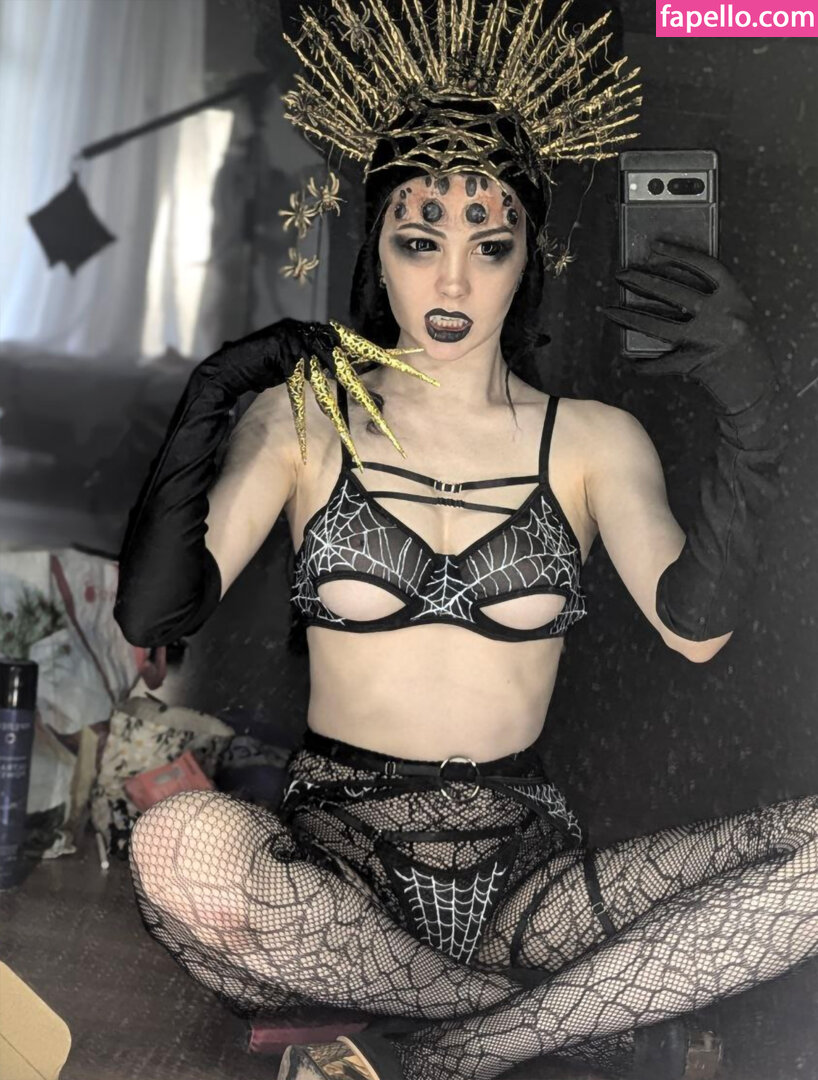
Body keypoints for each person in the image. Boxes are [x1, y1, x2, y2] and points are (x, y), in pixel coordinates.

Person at [113, 2, 817, 1078]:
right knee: (177, 845)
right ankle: (540, 1022)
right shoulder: (305, 420)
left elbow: (695, 632)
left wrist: (750, 412)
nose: (451, 282)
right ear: (377, 247)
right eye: (419, 241)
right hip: (333, 877)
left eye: (489, 245)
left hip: (528, 880)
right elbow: (154, 611)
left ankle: (456, 1045)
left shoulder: (591, 440)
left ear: (528, 255)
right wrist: (213, 390)